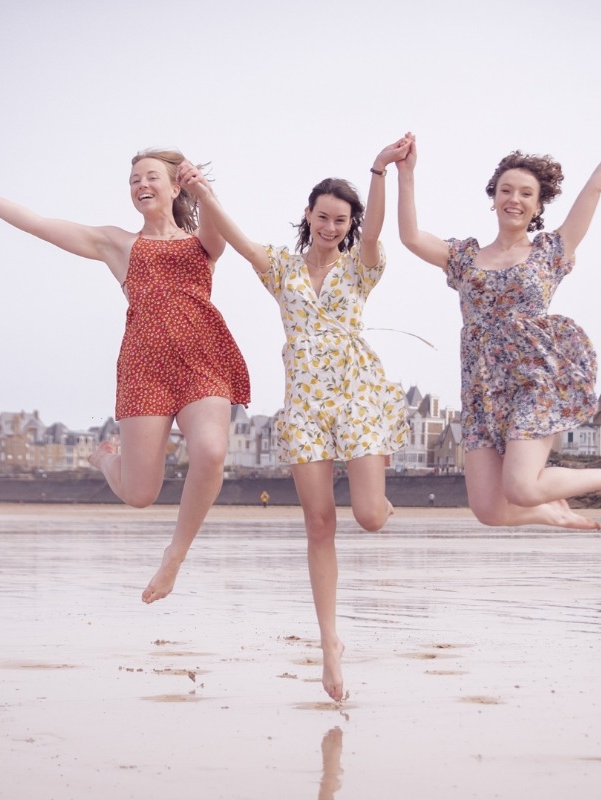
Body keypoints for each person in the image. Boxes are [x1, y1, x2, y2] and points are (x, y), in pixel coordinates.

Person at [0, 149, 250, 604]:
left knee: (211, 451)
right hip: (145, 368)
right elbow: (41, 224)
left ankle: (175, 555)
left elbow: (217, 229)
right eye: (134, 180)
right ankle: (106, 458)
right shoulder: (117, 244)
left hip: (202, 360)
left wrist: (203, 189)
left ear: (175, 186)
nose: (141, 185)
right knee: (140, 494)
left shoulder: (200, 242)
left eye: (151, 177)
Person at [180, 138, 411, 701]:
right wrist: (202, 192)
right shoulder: (281, 268)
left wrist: (380, 169)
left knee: (370, 517)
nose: (331, 227)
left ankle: (381, 493)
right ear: (308, 215)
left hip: (357, 397)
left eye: (341, 220)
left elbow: (377, 231)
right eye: (323, 216)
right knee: (319, 525)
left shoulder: (362, 267)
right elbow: (236, 238)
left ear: (350, 225)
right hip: (305, 405)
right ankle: (330, 642)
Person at [395, 96, 601, 529]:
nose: (514, 199)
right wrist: (405, 174)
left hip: (534, 379)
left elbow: (594, 188)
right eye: (506, 190)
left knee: (521, 486)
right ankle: (551, 512)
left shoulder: (550, 251)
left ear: (538, 206)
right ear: (493, 197)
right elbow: (410, 237)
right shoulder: (463, 258)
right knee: (488, 510)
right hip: (482, 387)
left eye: (526, 193)